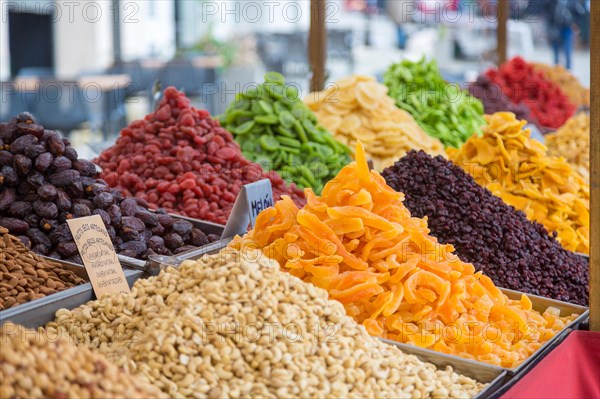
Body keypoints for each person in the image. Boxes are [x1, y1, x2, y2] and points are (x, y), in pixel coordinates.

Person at [541, 0, 583, 69]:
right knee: (556, 51)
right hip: (555, 28)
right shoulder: (551, 2)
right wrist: (549, 26)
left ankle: (568, 70)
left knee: (567, 50)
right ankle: (556, 70)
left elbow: (579, 13)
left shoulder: (573, 2)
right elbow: (546, 11)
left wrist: (575, 23)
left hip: (567, 28)